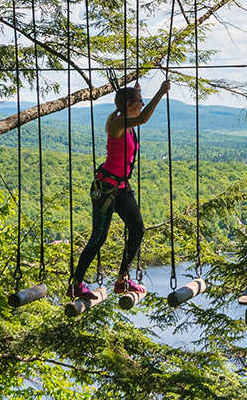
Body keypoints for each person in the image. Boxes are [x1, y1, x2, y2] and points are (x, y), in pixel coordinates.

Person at [67, 78, 170, 301]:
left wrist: (137, 91)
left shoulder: (127, 121)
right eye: (139, 102)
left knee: (137, 229)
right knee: (98, 237)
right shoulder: (117, 124)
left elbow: (138, 113)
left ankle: (123, 278)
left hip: (121, 187)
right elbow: (143, 118)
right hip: (106, 189)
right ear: (129, 105)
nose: (142, 105)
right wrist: (161, 93)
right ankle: (76, 284)